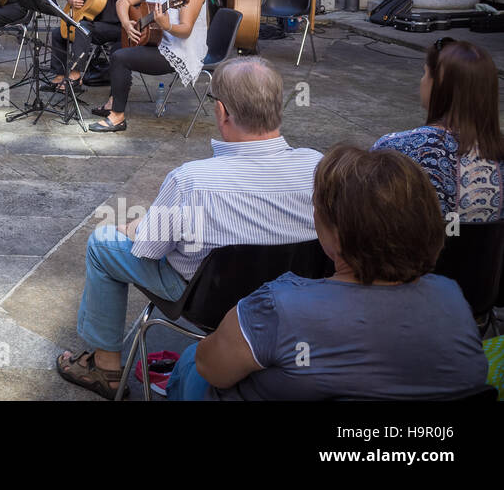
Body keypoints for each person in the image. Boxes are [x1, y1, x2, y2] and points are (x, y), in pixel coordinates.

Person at [56, 57, 320, 399]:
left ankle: (105, 367)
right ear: (277, 107)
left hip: (208, 302)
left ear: (222, 111)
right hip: (294, 303)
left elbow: (149, 249)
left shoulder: (192, 179)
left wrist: (135, 225)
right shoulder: (320, 167)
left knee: (104, 242)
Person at [167, 146, 490, 400]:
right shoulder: (451, 297)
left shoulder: (279, 307)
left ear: (335, 231)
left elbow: (211, 370)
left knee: (191, 361)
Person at [374, 38, 503, 223]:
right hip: (486, 252)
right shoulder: (498, 153)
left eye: (425, 73)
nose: (422, 81)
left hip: (418, 251)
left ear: (438, 85)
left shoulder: (393, 149)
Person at [91, 0, 207, 133]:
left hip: (178, 50)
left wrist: (167, 25)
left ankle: (117, 117)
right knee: (118, 46)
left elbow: (186, 30)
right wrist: (127, 24)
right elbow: (123, 1)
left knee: (120, 57)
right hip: (157, 42)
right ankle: (113, 102)